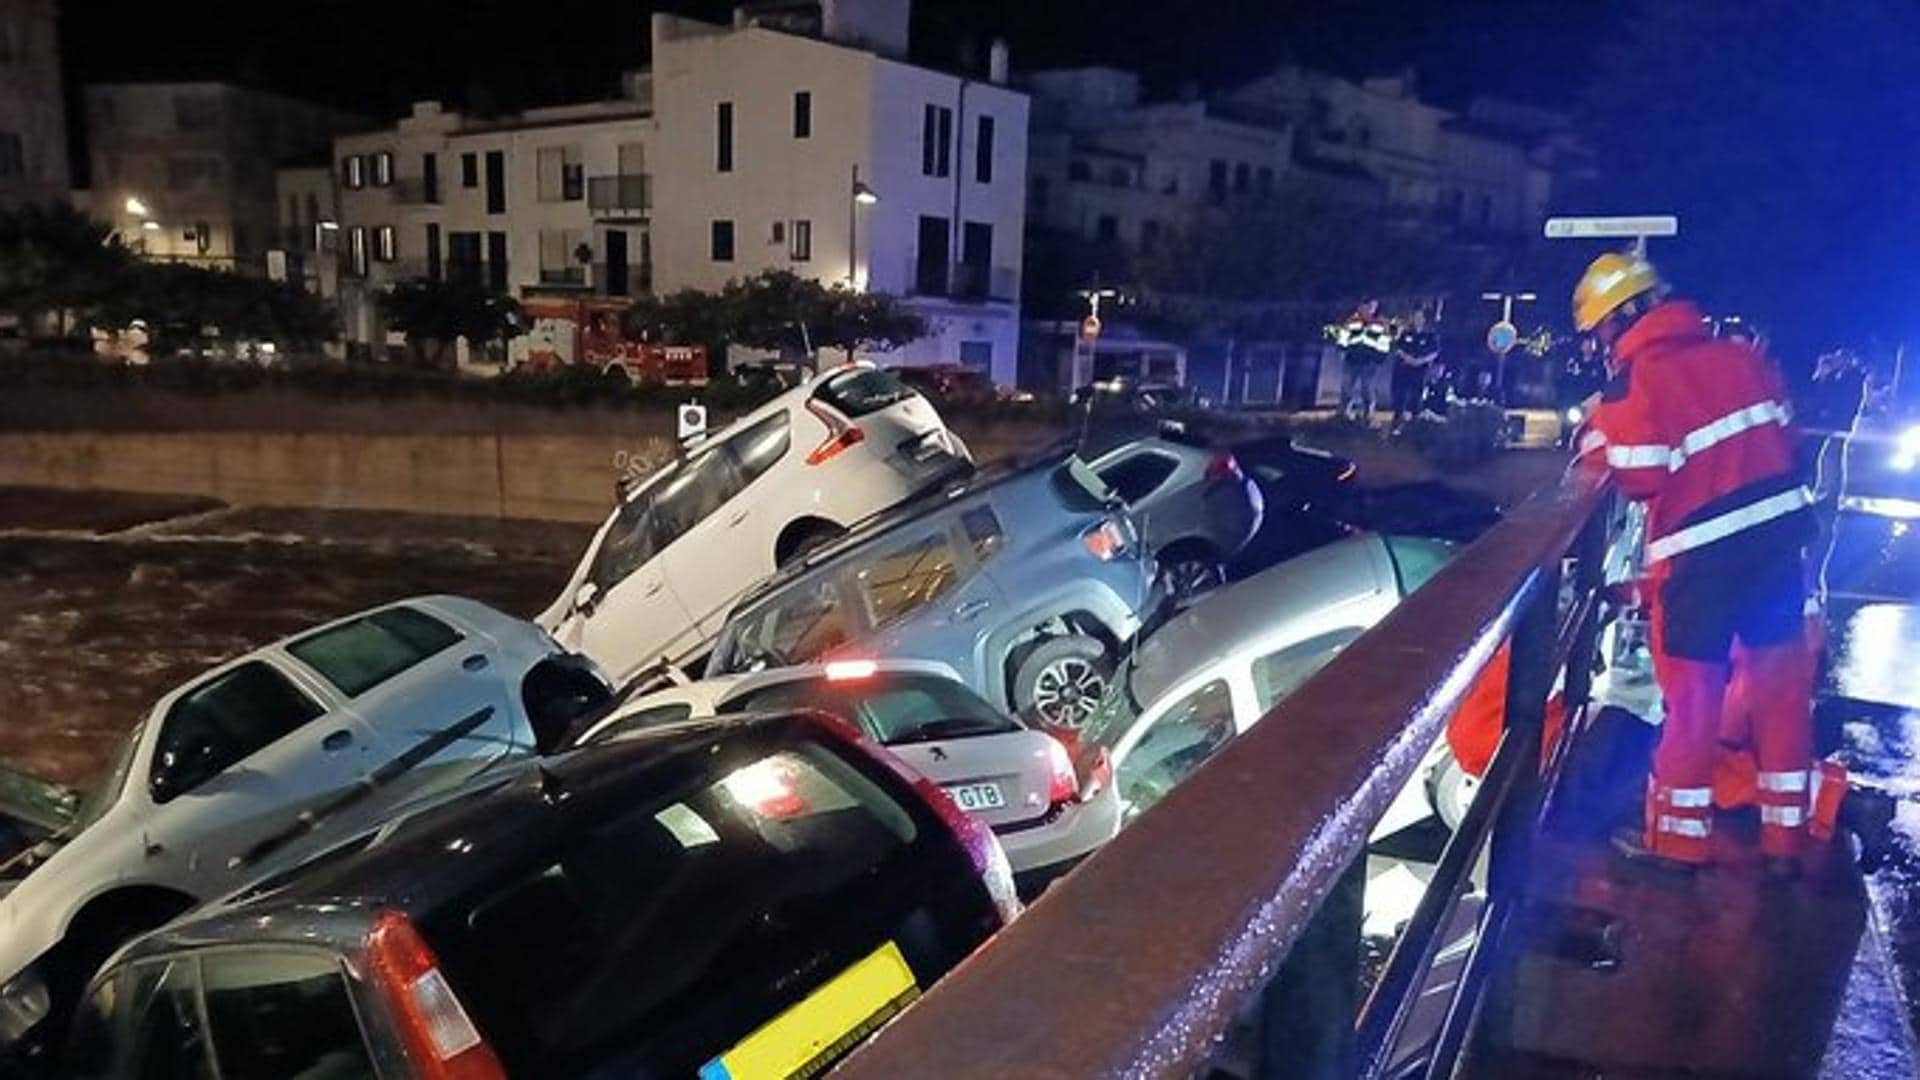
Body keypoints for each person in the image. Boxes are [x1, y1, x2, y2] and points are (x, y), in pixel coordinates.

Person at [1570, 251, 1818, 875]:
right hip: (1777, 549)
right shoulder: (1740, 355)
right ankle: (1786, 845)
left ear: (1623, 318)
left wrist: (1598, 429)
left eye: (1600, 329)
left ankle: (1678, 848)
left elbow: (1642, 475)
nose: (1601, 344)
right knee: (1781, 696)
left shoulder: (1634, 384)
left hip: (1701, 565)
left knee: (1693, 706)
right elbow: (1786, 437)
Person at [1328, 298, 1392, 423]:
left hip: (1369, 362)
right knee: (1346, 388)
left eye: (1374, 306)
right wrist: (1342, 351)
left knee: (1367, 389)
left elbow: (1384, 343)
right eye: (1369, 306)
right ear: (1363, 306)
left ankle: (1367, 415)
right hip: (1351, 360)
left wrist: (1379, 360)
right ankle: (1343, 414)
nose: (1371, 309)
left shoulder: (1380, 323)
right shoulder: (1352, 320)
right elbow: (1343, 337)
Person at [1390, 309, 1440, 433]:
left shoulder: (1430, 335)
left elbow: (1434, 352)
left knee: (1416, 395)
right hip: (1403, 369)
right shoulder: (1406, 333)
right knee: (1399, 394)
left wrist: (1420, 361)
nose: (1417, 320)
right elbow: (1398, 347)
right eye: (1415, 317)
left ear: (1424, 319)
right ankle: (1397, 421)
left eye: (1419, 317)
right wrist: (1407, 358)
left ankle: (1414, 422)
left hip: (1419, 371)